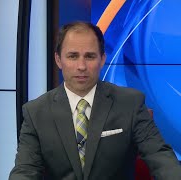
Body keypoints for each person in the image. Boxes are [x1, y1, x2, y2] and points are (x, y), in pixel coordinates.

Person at [9, 21, 181, 180]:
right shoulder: (36, 112)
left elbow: (160, 157)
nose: (81, 66)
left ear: (102, 60)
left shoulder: (131, 103)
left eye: (90, 56)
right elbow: (25, 170)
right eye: (73, 56)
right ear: (58, 60)